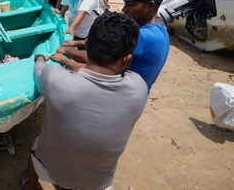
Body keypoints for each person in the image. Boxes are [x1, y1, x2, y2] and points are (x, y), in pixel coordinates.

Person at [21, 11, 147, 190]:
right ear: (126, 58)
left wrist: (39, 57)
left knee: (36, 147)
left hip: (54, 171)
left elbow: (40, 68)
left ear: (88, 45)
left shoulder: (55, 79)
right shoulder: (139, 88)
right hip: (97, 182)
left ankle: (30, 186)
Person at [54, 0, 170, 97]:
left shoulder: (142, 37)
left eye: (131, 5)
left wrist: (66, 53)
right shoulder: (161, 30)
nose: (124, 9)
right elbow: (108, 46)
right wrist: (76, 42)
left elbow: (97, 62)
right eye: (125, 4)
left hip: (119, 96)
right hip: (136, 96)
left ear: (150, 6)